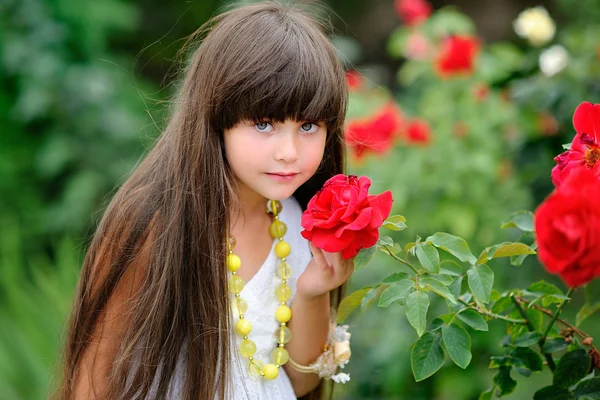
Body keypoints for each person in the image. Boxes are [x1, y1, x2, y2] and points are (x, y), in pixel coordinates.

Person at [54, 1, 354, 399]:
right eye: (264, 124)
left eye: (309, 125)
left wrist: (312, 292)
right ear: (215, 116)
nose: (289, 151)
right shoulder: (155, 222)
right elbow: (92, 382)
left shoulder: (300, 223)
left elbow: (297, 382)